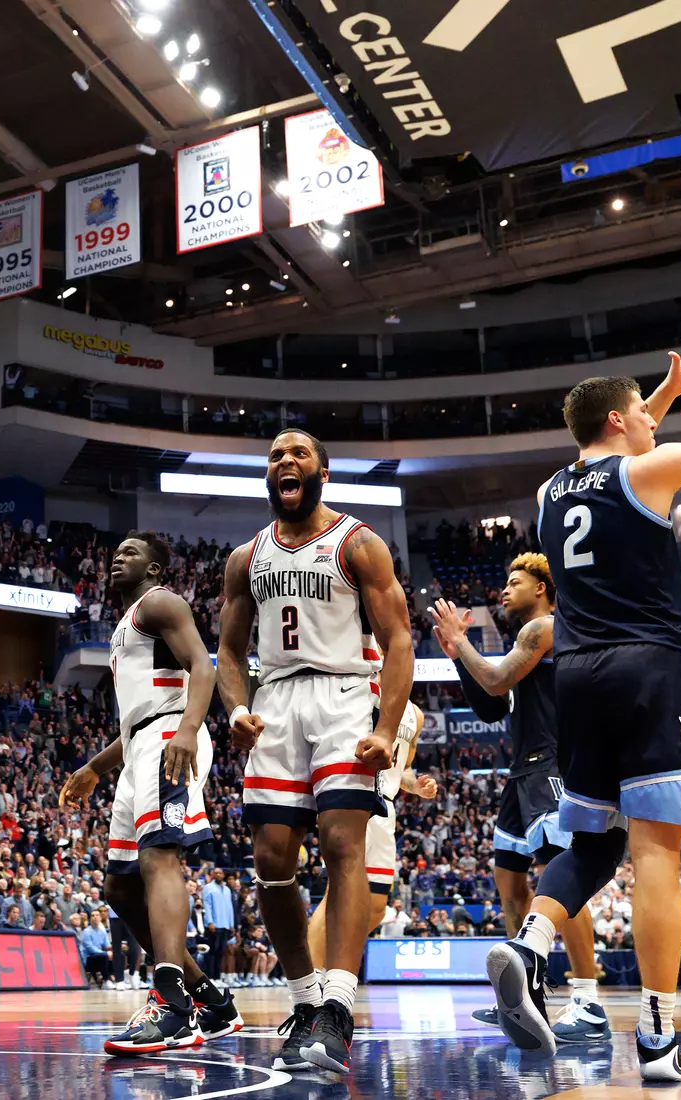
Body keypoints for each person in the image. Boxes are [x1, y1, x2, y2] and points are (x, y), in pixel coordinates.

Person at [489, 332, 681, 1083]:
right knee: (656, 852)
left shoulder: (550, 494)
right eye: (644, 413)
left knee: (594, 845)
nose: (655, 419)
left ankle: (529, 944)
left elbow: (614, 441)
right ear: (620, 421)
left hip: (577, 679)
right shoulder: (649, 471)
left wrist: (664, 394)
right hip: (649, 669)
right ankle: (656, 1034)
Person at [216, 429, 413, 1075]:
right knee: (272, 857)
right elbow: (229, 652)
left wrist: (387, 729)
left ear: (322, 472)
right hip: (275, 700)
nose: (285, 462)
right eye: (276, 455)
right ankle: (304, 1001)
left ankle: (338, 1006)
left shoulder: (358, 543)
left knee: (340, 843)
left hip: (344, 693)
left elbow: (399, 639)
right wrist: (236, 709)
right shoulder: (246, 557)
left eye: (298, 454)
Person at [58, 533, 240, 1055]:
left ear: (155, 568)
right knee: (119, 888)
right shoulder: (126, 625)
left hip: (169, 738)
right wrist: (94, 767)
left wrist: (188, 729)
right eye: (115, 552)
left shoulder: (160, 603)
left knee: (159, 859)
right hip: (142, 744)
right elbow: (135, 719)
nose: (118, 557)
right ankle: (210, 1000)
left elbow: (202, 666)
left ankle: (172, 1006)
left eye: (131, 552)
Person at [428, 554, 608, 1041]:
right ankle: (528, 994)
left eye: (515, 582)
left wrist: (463, 643)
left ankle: (588, 1001)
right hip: (522, 769)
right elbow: (490, 707)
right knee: (508, 882)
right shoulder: (521, 642)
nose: (504, 591)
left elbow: (493, 679)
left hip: (552, 763)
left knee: (561, 879)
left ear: (542, 588)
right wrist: (456, 657)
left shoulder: (545, 628)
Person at [304, 701, 435, 960]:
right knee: (337, 896)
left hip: (386, 805)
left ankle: (331, 962)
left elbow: (404, 769)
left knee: (375, 908)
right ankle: (309, 979)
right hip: (353, 793)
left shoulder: (416, 715)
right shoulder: (361, 688)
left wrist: (416, 787)